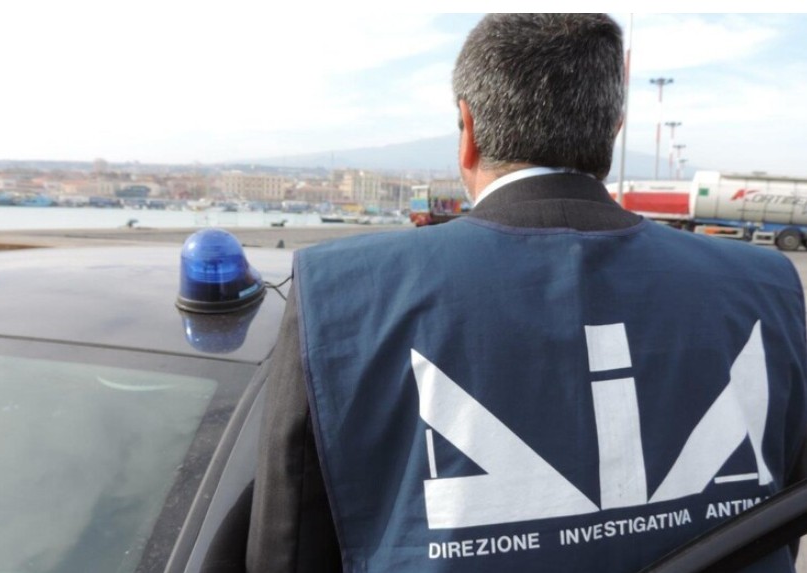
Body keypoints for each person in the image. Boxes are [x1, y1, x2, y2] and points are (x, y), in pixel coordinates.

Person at [247, 13, 807, 573]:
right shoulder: (767, 285)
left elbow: (288, 546)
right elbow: (781, 516)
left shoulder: (344, 291)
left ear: (468, 131)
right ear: (613, 130)